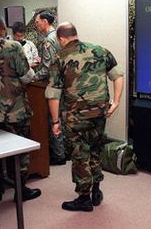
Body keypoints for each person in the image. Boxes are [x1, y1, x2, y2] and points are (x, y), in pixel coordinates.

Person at [45, 22, 124, 212]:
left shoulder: (59, 57)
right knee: (95, 149)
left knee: (80, 154)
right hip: (99, 113)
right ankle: (96, 190)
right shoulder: (100, 50)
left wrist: (55, 122)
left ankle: (84, 199)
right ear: (75, 34)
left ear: (61, 39)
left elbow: (53, 94)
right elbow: (118, 76)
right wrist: (116, 102)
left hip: (75, 117)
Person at [0, 14, 41, 202]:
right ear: (3, 27)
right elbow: (27, 75)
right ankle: (20, 190)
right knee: (20, 150)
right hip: (15, 109)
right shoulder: (14, 47)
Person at [34, 10, 65, 165]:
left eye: (37, 21)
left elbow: (46, 69)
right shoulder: (59, 37)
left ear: (45, 21)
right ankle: (64, 152)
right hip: (63, 82)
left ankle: (58, 155)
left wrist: (31, 76)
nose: (36, 24)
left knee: (54, 119)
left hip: (53, 84)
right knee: (62, 118)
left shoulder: (48, 40)